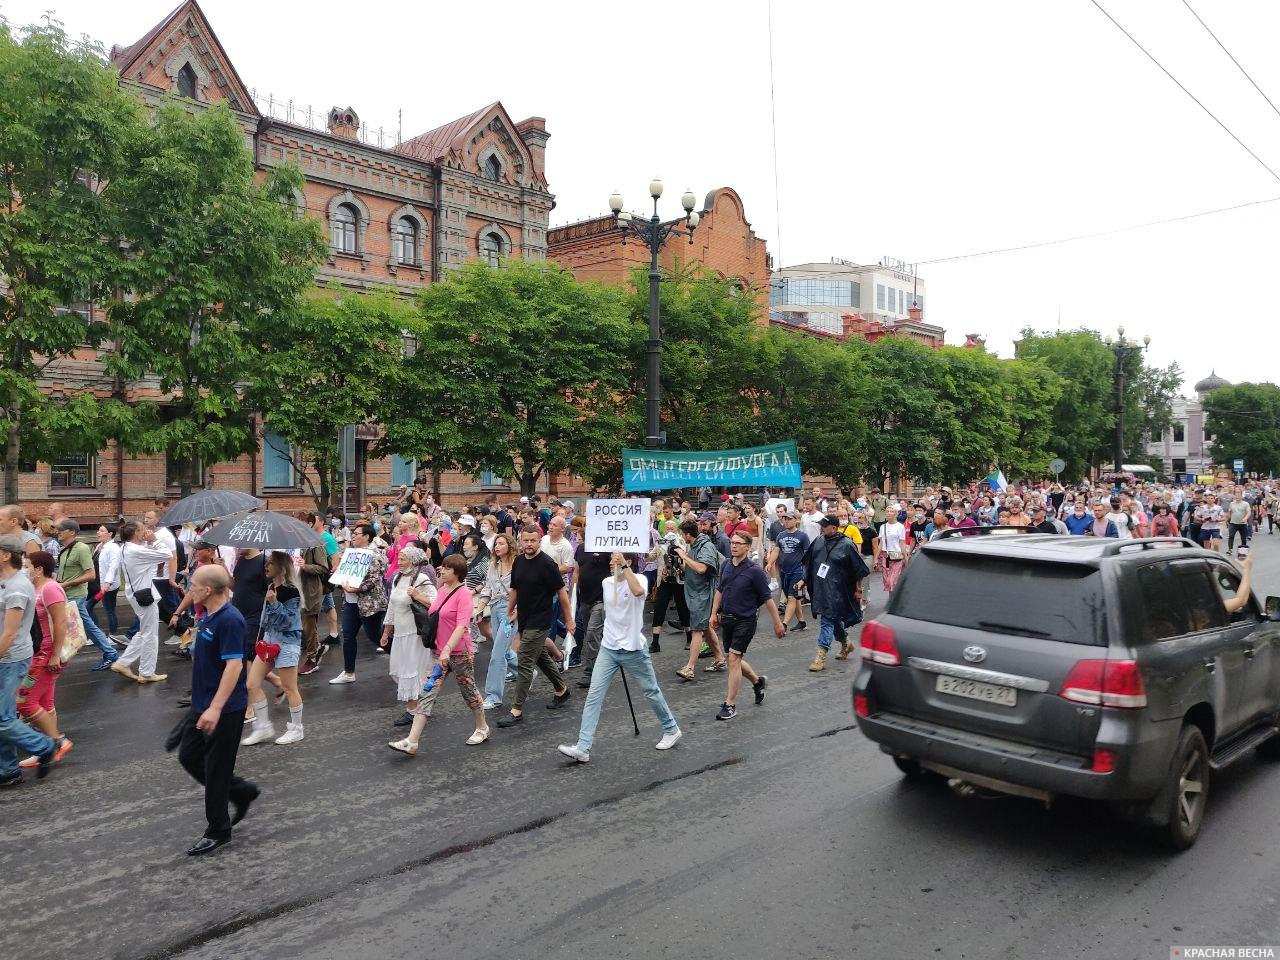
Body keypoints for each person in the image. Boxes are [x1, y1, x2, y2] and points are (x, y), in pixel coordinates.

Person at [557, 552, 682, 762]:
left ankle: (671, 729)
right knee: (593, 696)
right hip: (609, 648)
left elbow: (639, 591)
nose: (611, 565)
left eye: (616, 562)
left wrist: (624, 566)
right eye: (612, 562)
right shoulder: (607, 583)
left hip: (633, 648)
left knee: (651, 691)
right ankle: (583, 747)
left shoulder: (639, 578)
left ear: (628, 562)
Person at [176, 564, 258, 856]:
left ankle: (219, 830)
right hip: (203, 703)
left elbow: (235, 666)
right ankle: (240, 791)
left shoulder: (230, 620)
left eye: (194, 585)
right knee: (188, 756)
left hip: (223, 709)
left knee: (216, 768)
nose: (190, 589)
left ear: (208, 590)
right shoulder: (207, 614)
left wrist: (215, 708)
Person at [389, 555, 489, 754]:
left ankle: (482, 727)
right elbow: (433, 612)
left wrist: (447, 648)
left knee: (469, 692)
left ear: (457, 573)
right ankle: (412, 741)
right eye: (442, 567)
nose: (441, 570)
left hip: (460, 654)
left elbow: (462, 625)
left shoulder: (464, 595)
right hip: (439, 655)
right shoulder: (442, 590)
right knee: (426, 693)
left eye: (446, 568)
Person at [494, 526, 574, 729]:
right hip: (525, 617)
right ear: (520, 541)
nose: (528, 544)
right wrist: (511, 611)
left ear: (540, 541)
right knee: (539, 656)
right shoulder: (520, 561)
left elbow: (562, 593)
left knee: (525, 660)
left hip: (541, 620)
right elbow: (515, 588)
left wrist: (569, 620)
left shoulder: (548, 564)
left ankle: (516, 710)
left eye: (533, 541)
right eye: (525, 541)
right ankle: (561, 689)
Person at [709, 532, 786, 721]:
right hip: (727, 619)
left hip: (745, 620)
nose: (733, 546)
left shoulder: (755, 571)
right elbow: (720, 590)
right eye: (732, 542)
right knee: (732, 659)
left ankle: (730, 704)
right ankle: (757, 682)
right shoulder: (726, 564)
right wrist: (713, 613)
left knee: (734, 659)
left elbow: (767, 599)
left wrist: (778, 623)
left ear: (747, 547)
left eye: (738, 543)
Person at [0, 534, 55, 787]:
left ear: (4, 555)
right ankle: (8, 770)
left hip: (10, 659)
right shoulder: (6, 580)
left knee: (3, 719)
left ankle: (44, 745)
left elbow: (10, 633)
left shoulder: (17, 588)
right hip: (6, 658)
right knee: (2, 717)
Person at [240, 552, 305, 747]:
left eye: (270, 563)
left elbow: (287, 622)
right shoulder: (270, 586)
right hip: (269, 641)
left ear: (282, 567)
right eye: (266, 563)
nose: (266, 566)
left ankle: (296, 729)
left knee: (289, 687)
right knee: (251, 684)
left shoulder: (291, 591)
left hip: (287, 643)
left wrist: (273, 603)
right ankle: (263, 726)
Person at [16, 551, 73, 767]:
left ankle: (57, 741)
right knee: (44, 702)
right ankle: (48, 749)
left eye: (27, 565)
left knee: (24, 701)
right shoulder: (37, 588)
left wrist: (55, 655)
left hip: (46, 654)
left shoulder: (50, 588)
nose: (24, 569)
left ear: (39, 569)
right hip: (40, 651)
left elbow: (61, 622)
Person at [799, 515, 870, 672]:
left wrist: (859, 589)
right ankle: (846, 643)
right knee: (832, 618)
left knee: (827, 619)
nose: (821, 528)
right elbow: (809, 563)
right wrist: (803, 580)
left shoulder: (846, 544)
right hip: (820, 587)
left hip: (838, 591)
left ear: (834, 527)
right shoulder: (818, 541)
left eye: (824, 526)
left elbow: (858, 569)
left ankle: (821, 655)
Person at [53, 519, 119, 671]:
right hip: (66, 594)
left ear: (72, 532)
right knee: (84, 626)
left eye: (61, 530)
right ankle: (110, 653)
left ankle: (111, 653)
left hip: (76, 595)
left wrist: (66, 584)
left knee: (88, 626)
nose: (58, 532)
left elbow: (91, 575)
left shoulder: (81, 548)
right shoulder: (65, 548)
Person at [112, 521, 173, 683]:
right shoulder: (136, 550)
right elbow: (167, 555)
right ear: (136, 534)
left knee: (144, 631)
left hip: (136, 593)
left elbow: (146, 552)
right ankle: (146, 672)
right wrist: (155, 540)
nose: (146, 531)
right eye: (142, 530)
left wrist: (148, 542)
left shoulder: (125, 548)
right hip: (143, 594)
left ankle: (123, 663)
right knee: (150, 635)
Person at [383, 545, 437, 726]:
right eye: (399, 558)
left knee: (413, 672)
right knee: (398, 671)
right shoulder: (397, 578)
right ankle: (421, 705)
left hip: (415, 634)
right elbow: (392, 607)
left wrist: (416, 595)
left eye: (403, 559)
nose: (399, 561)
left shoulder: (421, 579)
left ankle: (414, 710)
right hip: (400, 633)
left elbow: (435, 603)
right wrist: (386, 632)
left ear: (413, 561)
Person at [330, 524, 388, 685]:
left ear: (367, 537)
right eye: (353, 533)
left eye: (356, 534)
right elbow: (346, 573)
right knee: (348, 635)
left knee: (375, 636)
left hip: (369, 604)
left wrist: (356, 589)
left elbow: (373, 579)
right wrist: (338, 575)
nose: (353, 536)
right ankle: (349, 672)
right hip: (350, 602)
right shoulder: (351, 553)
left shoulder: (374, 555)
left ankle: (401, 660)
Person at [675, 519, 726, 681]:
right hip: (695, 592)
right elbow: (694, 567)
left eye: (682, 534)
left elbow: (702, 568)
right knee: (704, 627)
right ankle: (719, 659)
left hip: (704, 594)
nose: (682, 537)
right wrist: (680, 565)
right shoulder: (694, 546)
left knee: (697, 628)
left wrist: (684, 556)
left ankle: (690, 667)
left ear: (688, 534)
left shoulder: (706, 546)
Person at [480, 532, 519, 710]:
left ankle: (493, 695)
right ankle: (524, 672)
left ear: (509, 546)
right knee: (501, 648)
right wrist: (479, 607)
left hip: (509, 611)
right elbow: (488, 588)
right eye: (496, 544)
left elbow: (524, 590)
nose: (497, 547)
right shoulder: (493, 565)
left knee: (497, 653)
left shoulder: (518, 565)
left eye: (501, 543)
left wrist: (516, 611)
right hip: (495, 608)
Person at [296, 511, 336, 676]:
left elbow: (322, 568)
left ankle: (312, 658)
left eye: (302, 522)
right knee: (303, 625)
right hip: (298, 589)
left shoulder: (315, 543)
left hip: (311, 590)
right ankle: (316, 648)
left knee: (309, 625)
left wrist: (305, 565)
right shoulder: (298, 542)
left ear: (310, 524)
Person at [572, 540, 612, 689]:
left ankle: (591, 672)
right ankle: (606, 663)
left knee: (592, 634)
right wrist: (573, 594)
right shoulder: (581, 548)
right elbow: (576, 571)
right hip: (585, 599)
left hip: (601, 600)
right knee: (596, 636)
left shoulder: (608, 548)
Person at [650, 525, 691, 655]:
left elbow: (687, 560)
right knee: (659, 609)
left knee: (683, 608)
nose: (669, 530)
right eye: (667, 527)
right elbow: (651, 556)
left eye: (672, 527)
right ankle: (655, 642)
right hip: (664, 580)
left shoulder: (682, 542)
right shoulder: (660, 543)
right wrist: (643, 553)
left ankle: (689, 638)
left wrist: (680, 559)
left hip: (679, 580)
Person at [767, 508, 809, 631]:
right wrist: (770, 563)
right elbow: (776, 550)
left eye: (789, 519)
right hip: (784, 571)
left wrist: (805, 575)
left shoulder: (802, 536)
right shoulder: (781, 535)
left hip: (798, 570)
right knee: (794, 598)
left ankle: (783, 624)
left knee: (791, 598)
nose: (786, 521)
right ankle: (801, 622)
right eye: (785, 519)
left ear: (796, 521)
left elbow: (807, 555)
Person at [86, 524, 123, 642]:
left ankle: (112, 635)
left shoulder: (114, 548)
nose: (98, 532)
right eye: (98, 530)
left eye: (101, 531)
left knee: (108, 609)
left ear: (110, 534)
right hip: (96, 585)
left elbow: (114, 567)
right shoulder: (99, 546)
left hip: (107, 587)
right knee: (88, 607)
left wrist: (107, 583)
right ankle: (97, 634)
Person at [879, 511, 911, 593]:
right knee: (887, 581)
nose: (889, 513)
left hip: (897, 555)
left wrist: (905, 558)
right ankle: (892, 599)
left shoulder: (900, 526)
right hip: (886, 556)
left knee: (892, 580)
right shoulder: (883, 527)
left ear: (896, 514)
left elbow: (902, 543)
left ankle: (894, 602)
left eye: (891, 511)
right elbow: (881, 543)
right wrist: (876, 558)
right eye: (888, 511)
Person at [1227, 489, 1253, 553]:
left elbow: (1248, 512)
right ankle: (1230, 549)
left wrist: (1245, 518)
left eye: (1238, 496)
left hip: (1242, 523)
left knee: (1243, 538)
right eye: (1236, 496)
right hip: (1233, 523)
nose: (1237, 497)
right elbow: (1230, 513)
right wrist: (1227, 520)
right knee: (1231, 536)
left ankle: (1243, 551)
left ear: (1241, 496)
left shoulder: (1245, 504)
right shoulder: (1231, 504)